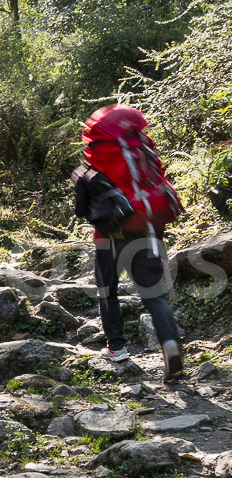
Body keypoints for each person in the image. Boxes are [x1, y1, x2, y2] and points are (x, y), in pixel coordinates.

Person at [72, 104, 184, 382]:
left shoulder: (89, 168)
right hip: (148, 228)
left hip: (108, 238)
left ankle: (117, 348)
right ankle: (170, 344)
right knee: (154, 294)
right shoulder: (143, 151)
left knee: (107, 290)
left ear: (95, 137)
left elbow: (80, 210)